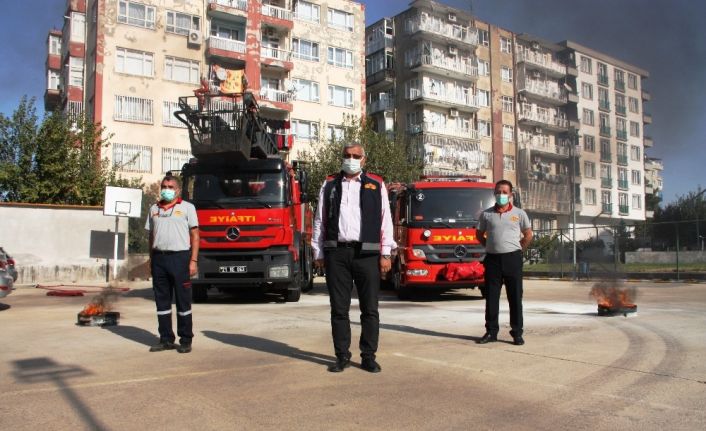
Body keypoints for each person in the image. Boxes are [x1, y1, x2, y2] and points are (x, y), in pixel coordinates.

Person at [312, 142, 395, 373]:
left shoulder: (376, 184)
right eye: (347, 155)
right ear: (341, 157)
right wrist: (318, 252)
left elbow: (385, 220)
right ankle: (342, 356)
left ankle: (368, 356)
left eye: (356, 156)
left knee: (370, 309)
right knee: (339, 309)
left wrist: (385, 253)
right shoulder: (329, 184)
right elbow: (319, 220)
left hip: (367, 254)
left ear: (363, 159)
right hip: (336, 254)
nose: (351, 159)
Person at [145, 174, 200, 353]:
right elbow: (151, 235)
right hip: (159, 259)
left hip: (180, 258)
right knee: (162, 301)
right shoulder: (154, 208)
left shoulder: (187, 208)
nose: (166, 190)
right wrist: (151, 258)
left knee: (183, 301)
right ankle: (166, 339)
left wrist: (193, 260)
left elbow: (195, 235)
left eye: (170, 187)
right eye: (164, 187)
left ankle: (185, 339)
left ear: (177, 190)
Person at [476, 180, 533, 346]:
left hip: (512, 259)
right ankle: (491, 332)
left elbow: (528, 235)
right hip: (492, 260)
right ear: (494, 194)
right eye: (498, 192)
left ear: (510, 195)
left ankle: (517, 333)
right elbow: (479, 234)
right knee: (491, 298)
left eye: (504, 192)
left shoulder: (519, 214)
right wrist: (489, 246)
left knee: (515, 297)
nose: (501, 195)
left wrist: (518, 249)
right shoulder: (486, 214)